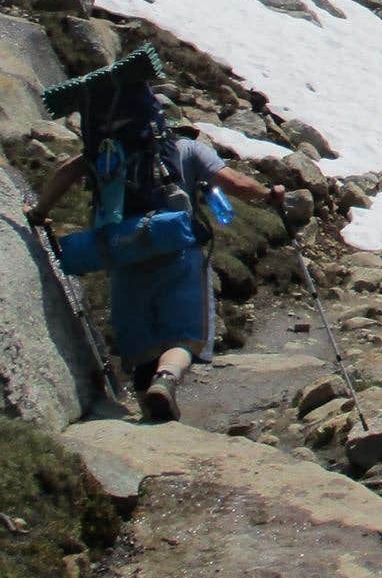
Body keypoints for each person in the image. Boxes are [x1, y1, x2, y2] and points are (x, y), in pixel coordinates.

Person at [28, 104, 287, 422]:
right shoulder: (188, 148)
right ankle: (165, 380)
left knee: (141, 341)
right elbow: (233, 182)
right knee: (185, 336)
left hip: (124, 254)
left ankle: (147, 408)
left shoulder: (108, 149)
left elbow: (68, 170)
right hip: (177, 253)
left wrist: (40, 211)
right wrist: (268, 194)